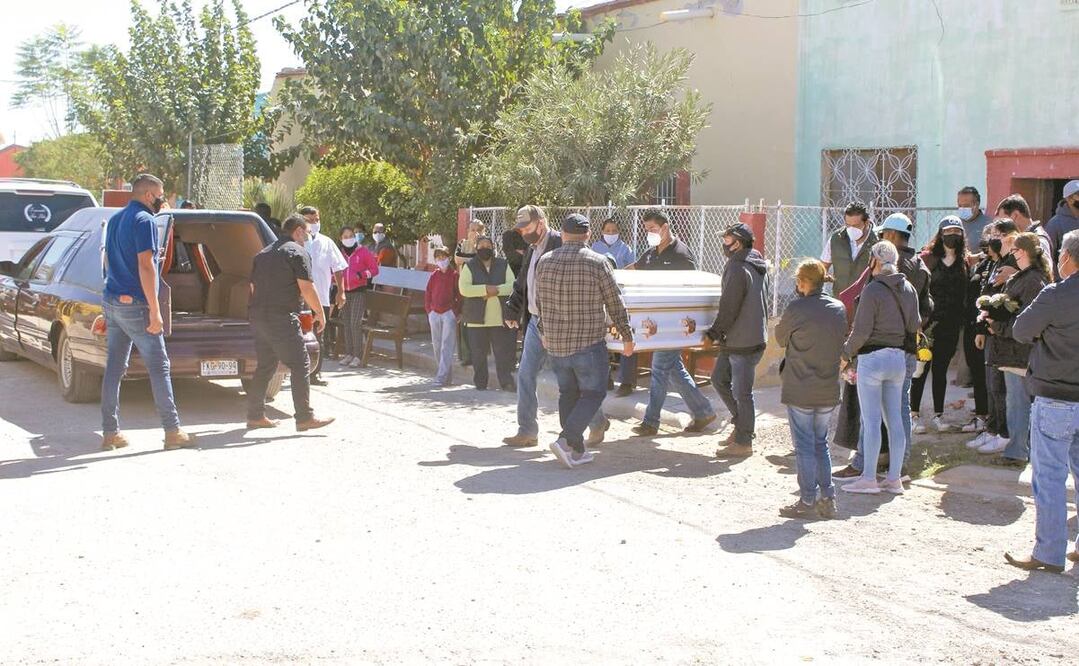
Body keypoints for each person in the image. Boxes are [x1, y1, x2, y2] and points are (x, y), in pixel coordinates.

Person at [99, 174, 195, 451]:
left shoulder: (116, 219)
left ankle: (110, 433)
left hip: (114, 301)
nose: (162, 199)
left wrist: (109, 297)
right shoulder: (145, 221)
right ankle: (172, 430)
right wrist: (155, 310)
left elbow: (107, 260)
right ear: (150, 195)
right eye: (161, 194)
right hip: (137, 305)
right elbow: (146, 266)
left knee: (114, 368)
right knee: (159, 367)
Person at [833, 212, 929, 480]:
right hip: (902, 355)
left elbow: (862, 330)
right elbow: (917, 321)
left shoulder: (874, 287)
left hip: (874, 357)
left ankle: (865, 470)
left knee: (871, 420)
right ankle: (898, 473)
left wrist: (845, 354)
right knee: (898, 417)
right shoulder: (912, 278)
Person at [502, 205, 608, 448]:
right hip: (536, 322)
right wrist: (512, 307)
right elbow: (523, 283)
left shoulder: (565, 242)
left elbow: (587, 274)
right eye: (520, 228)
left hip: (563, 323)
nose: (523, 232)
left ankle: (596, 422)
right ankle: (527, 430)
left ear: (541, 223)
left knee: (575, 381)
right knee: (526, 374)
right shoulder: (532, 248)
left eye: (527, 227)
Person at [1004, 229, 1079, 573]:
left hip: (1056, 396)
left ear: (1067, 258)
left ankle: (1049, 552)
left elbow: (1021, 330)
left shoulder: (1056, 294)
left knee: (1049, 478)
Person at [535, 213, 634, 468]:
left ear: (563, 234)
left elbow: (540, 303)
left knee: (568, 393)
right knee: (593, 393)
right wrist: (626, 335)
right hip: (588, 343)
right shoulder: (597, 261)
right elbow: (614, 301)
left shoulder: (545, 261)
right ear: (589, 235)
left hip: (556, 344)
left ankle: (576, 451)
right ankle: (567, 440)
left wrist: (543, 331)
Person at [628, 210, 716, 437]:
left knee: (659, 368)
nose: (649, 233)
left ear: (665, 227)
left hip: (674, 323)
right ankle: (703, 411)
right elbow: (633, 270)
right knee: (673, 368)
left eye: (652, 229)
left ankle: (651, 422)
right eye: (647, 229)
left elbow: (691, 287)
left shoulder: (681, 254)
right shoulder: (649, 254)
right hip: (654, 323)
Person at [246, 214, 334, 432]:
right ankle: (304, 417)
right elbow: (306, 287)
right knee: (300, 363)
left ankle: (255, 415)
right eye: (306, 233)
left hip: (258, 316)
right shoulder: (296, 252)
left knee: (265, 366)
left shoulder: (263, 254)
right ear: (298, 231)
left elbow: (252, 288)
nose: (307, 238)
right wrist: (319, 313)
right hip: (281, 317)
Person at [775, 259, 848, 519]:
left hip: (800, 386)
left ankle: (806, 500)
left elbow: (780, 338)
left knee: (805, 446)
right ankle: (827, 497)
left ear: (803, 282)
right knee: (820, 444)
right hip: (828, 386)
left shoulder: (796, 308)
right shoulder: (838, 307)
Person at [980, 232, 1051, 466]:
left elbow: (1027, 320)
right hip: (1013, 350)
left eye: (1015, 251)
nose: (1013, 255)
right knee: (1017, 401)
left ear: (1024, 252)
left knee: (1018, 402)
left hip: (1019, 351)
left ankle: (1017, 452)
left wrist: (998, 326)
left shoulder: (1032, 280)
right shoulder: (1026, 277)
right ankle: (1019, 449)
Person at [705, 223, 768, 457]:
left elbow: (729, 306)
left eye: (727, 239)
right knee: (719, 379)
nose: (724, 243)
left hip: (741, 340)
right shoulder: (757, 264)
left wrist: (713, 332)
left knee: (742, 393)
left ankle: (744, 441)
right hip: (748, 336)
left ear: (738, 242)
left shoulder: (738, 267)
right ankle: (741, 426)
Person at [909, 216, 970, 435]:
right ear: (940, 233)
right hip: (928, 325)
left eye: (957, 231)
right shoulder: (928, 259)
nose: (952, 236)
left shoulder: (964, 262)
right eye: (948, 231)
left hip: (951, 325)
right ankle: (913, 415)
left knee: (941, 370)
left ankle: (938, 414)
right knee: (920, 369)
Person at [967, 222, 1012, 453]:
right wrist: (982, 329)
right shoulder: (992, 264)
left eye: (998, 235)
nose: (993, 239)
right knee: (990, 384)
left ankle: (1002, 431)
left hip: (1003, 333)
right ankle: (992, 428)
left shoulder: (1010, 264)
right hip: (989, 329)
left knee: (998, 387)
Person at [458, 235, 516, 391]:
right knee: (478, 354)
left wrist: (494, 290)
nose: (485, 248)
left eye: (488, 245)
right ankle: (481, 383)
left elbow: (512, 285)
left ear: (493, 248)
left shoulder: (503, 265)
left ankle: (506, 382)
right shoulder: (469, 266)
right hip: (476, 319)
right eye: (481, 245)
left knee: (502, 353)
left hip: (499, 318)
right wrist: (484, 289)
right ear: (476, 249)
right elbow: (464, 289)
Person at [298, 206, 347, 386]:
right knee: (297, 336)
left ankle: (315, 373)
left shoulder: (327, 242)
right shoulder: (296, 241)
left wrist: (341, 292)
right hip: (299, 298)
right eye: (309, 220)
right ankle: (298, 371)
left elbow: (339, 267)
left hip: (321, 299)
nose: (314, 223)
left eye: (316, 219)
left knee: (318, 335)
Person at [593, 217, 640, 397]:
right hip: (598, 299)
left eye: (614, 230)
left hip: (621, 295)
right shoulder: (595, 248)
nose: (611, 234)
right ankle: (605, 379)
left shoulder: (626, 249)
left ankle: (626, 382)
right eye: (608, 230)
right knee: (600, 340)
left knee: (625, 336)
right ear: (602, 231)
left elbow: (633, 269)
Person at [339, 227, 379, 368]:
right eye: (345, 236)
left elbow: (375, 270)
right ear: (341, 238)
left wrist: (361, 275)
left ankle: (358, 355)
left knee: (355, 323)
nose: (349, 238)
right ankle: (349, 353)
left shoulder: (363, 252)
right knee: (347, 323)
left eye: (351, 235)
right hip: (344, 292)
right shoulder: (340, 253)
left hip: (358, 292)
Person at [822, 202, 877, 296]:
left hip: (865, 303)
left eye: (855, 226)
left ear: (866, 222)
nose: (851, 229)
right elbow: (822, 268)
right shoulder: (836, 239)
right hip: (840, 302)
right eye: (848, 225)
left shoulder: (877, 242)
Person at [425, 246, 461, 386]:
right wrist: (429, 311)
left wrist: (455, 312)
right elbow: (428, 293)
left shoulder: (454, 275)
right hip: (434, 313)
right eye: (438, 258)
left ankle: (441, 376)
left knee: (447, 345)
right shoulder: (434, 275)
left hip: (448, 313)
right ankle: (446, 375)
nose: (441, 261)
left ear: (449, 258)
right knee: (437, 344)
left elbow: (459, 295)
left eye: (443, 258)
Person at [1044, 180, 1079, 279]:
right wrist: (1058, 279)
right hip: (1067, 282)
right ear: (1069, 199)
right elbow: (1048, 254)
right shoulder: (1055, 223)